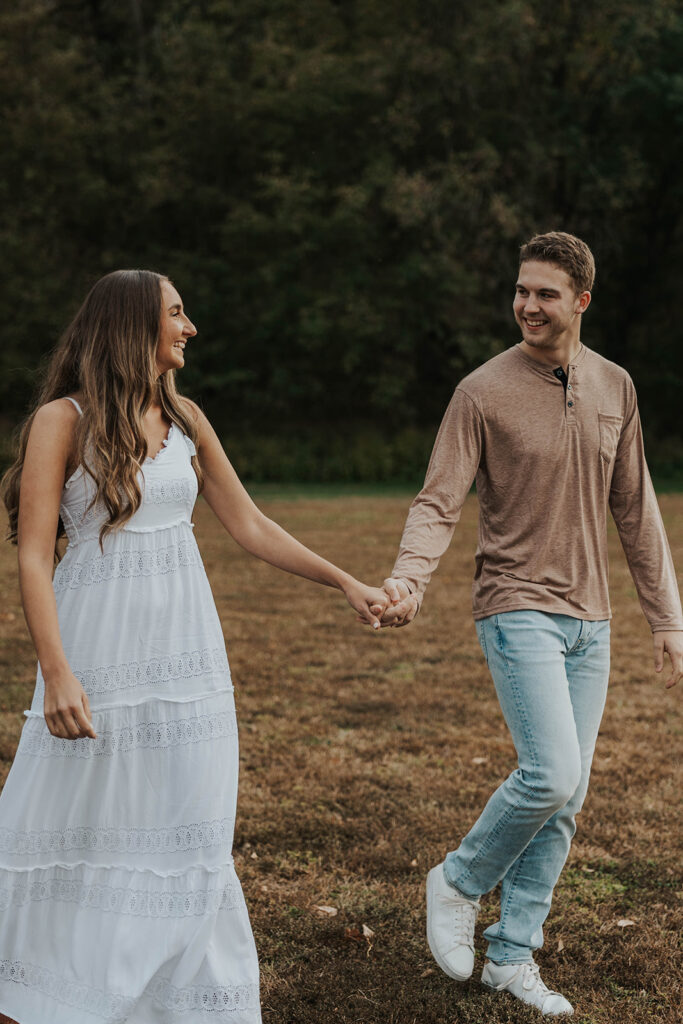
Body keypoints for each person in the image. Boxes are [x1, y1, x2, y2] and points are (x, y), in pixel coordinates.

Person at [0, 269, 390, 1024]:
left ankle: (167, 1000)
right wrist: (56, 673)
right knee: (77, 818)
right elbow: (32, 556)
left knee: (187, 821)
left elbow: (250, 525)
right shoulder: (63, 420)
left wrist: (346, 582)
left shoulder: (186, 419)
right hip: (95, 649)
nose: (190, 327)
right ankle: (41, 991)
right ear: (133, 326)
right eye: (176, 314)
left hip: (186, 655)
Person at [373, 232, 683, 1016]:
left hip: (591, 620)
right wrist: (408, 578)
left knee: (566, 798)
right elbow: (438, 499)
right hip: (515, 605)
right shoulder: (480, 391)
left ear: (580, 300)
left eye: (545, 293)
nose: (527, 305)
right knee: (548, 773)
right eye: (520, 290)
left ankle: (512, 955)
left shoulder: (616, 387)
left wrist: (666, 619)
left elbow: (635, 510)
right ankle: (458, 879)